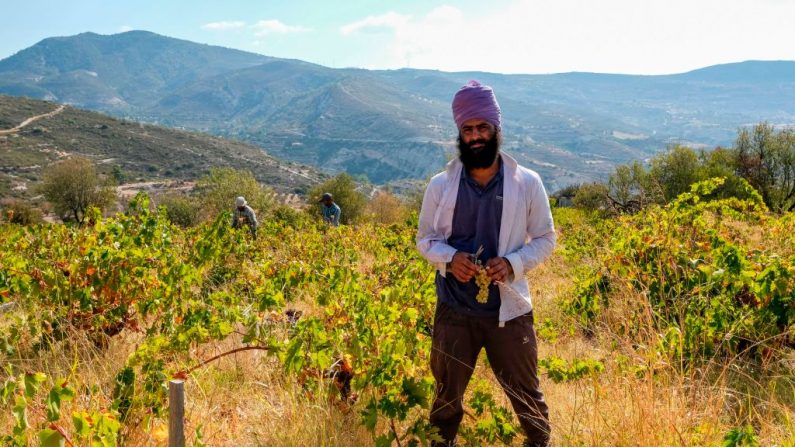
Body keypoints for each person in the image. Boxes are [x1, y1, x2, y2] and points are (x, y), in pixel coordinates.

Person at [416, 80, 557, 447]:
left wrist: (512, 264)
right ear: (459, 134)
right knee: (446, 401)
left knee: (528, 399)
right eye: (468, 129)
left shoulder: (526, 183)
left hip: (508, 311)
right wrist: (450, 260)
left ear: (497, 130)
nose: (476, 136)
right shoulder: (440, 186)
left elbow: (546, 238)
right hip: (454, 311)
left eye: (483, 128)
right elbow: (425, 240)